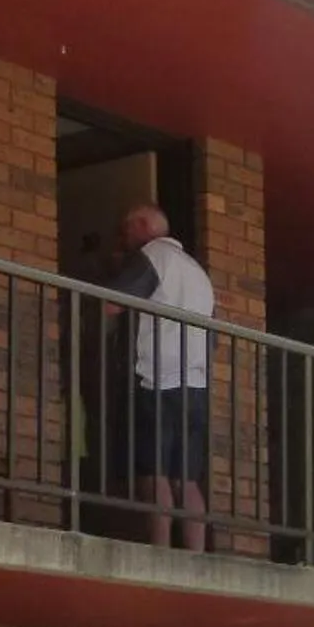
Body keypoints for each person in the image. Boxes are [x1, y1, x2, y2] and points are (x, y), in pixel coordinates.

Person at [109, 205, 216, 552]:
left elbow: (112, 303)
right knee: (187, 479)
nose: (123, 237)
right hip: (195, 385)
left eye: (126, 229)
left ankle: (160, 553)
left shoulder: (153, 255)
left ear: (142, 225)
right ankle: (196, 557)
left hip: (157, 380)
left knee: (154, 472)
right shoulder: (198, 272)